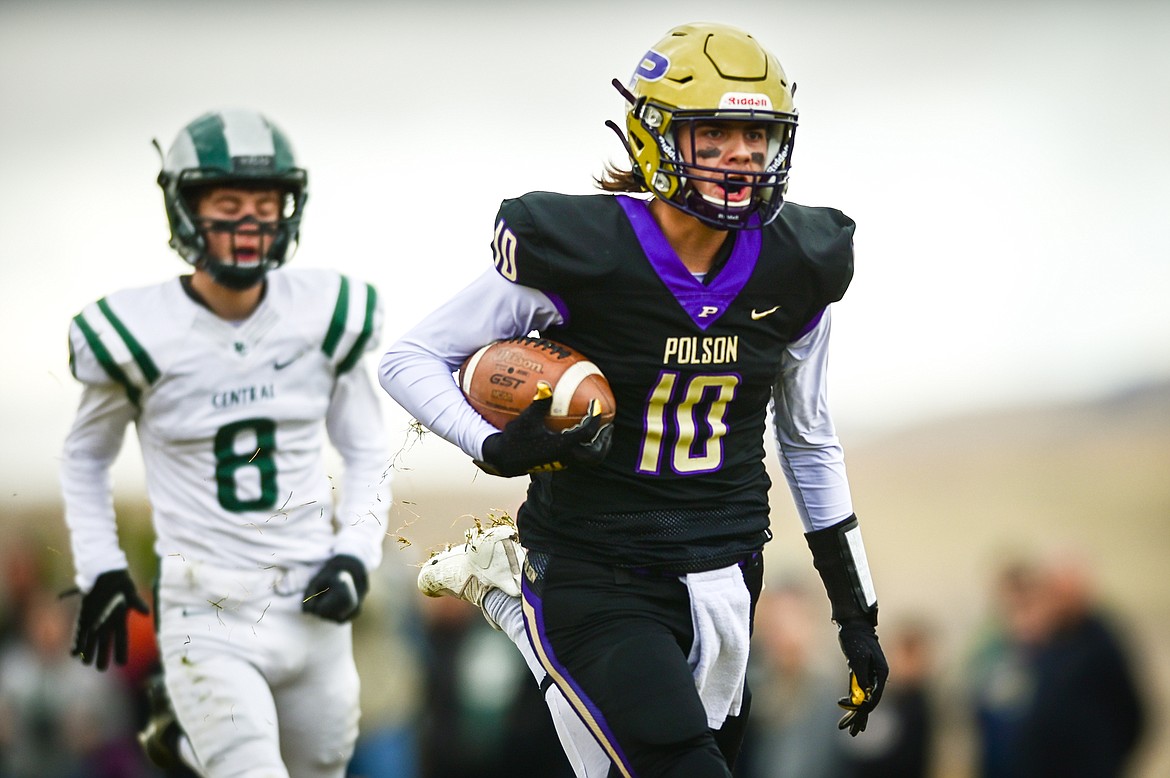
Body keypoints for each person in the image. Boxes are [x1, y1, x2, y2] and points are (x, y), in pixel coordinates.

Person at [381, 22, 888, 778]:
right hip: (599, 567)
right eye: (717, 133)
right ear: (657, 138)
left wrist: (856, 614)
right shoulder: (583, 250)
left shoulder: (798, 264)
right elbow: (411, 357)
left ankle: (509, 605)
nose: (743, 155)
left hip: (728, 571)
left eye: (758, 135)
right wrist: (490, 445)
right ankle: (529, 603)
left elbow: (809, 440)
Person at [60, 108, 391, 778]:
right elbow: (85, 454)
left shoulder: (326, 313)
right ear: (185, 209)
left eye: (265, 204)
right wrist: (98, 565)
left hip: (312, 602)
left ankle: (183, 751)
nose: (248, 222)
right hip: (206, 607)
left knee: (320, 767)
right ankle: (198, 743)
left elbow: (366, 448)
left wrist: (356, 554)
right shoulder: (139, 330)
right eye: (228, 203)